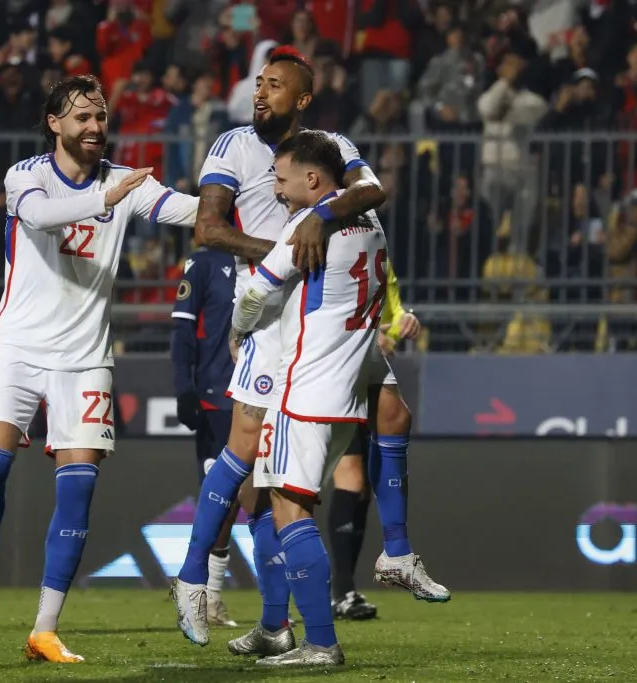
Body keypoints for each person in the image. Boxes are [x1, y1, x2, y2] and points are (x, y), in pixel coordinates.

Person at [0, 74, 199, 663]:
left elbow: (184, 211)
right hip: (16, 348)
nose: (95, 126)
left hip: (85, 358)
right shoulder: (26, 176)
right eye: (82, 117)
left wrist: (241, 198)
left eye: (101, 117)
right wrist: (107, 200)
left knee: (79, 491)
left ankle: (44, 627)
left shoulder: (124, 181)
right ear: (54, 123)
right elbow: (39, 218)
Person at [168, 45, 399, 652]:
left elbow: (372, 189)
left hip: (319, 329)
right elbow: (209, 229)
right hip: (269, 317)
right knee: (245, 452)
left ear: (301, 100)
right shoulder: (232, 146)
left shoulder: (328, 145)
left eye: (275, 85)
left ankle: (275, 624)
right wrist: (285, 254)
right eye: (258, 82)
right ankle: (194, 577)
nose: (260, 93)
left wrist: (320, 216)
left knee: (278, 485)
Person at [228, 130, 387, 666]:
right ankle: (276, 627)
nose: (275, 186)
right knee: (285, 504)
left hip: (305, 389)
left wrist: (239, 329)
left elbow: (255, 292)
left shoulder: (305, 224)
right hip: (346, 396)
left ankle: (319, 641)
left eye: (281, 176)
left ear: (312, 179)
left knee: (286, 509)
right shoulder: (372, 222)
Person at [329, 259, 426, 621]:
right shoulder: (329, 241)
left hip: (363, 373)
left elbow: (392, 313)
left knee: (360, 485)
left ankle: (342, 590)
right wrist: (372, 336)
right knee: (348, 477)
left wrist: (401, 325)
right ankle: (328, 589)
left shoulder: (378, 256)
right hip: (331, 371)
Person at [170, 245, 238, 627]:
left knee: (272, 497)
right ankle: (207, 596)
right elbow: (182, 326)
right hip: (219, 395)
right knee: (223, 497)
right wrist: (184, 387)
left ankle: (275, 608)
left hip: (273, 390)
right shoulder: (205, 261)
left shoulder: (282, 247)